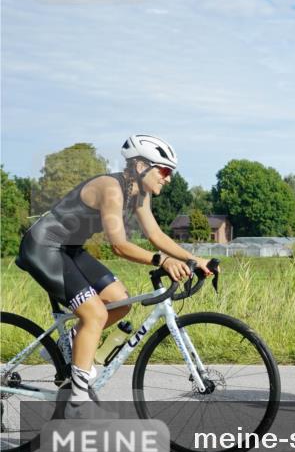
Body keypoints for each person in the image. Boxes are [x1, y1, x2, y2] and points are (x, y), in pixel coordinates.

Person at [16, 135, 214, 418]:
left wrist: (195, 260)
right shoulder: (111, 189)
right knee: (94, 314)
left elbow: (155, 235)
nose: (168, 179)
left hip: (70, 250)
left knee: (120, 301)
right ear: (142, 166)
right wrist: (163, 261)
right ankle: (79, 404)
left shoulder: (139, 195)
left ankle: (70, 345)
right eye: (165, 171)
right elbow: (119, 246)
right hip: (43, 247)